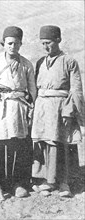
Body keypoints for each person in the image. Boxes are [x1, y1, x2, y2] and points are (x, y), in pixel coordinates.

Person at [31, 25, 84, 197]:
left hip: (61, 108)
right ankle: (48, 180)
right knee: (44, 142)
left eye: (49, 43)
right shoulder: (40, 62)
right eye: (43, 43)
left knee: (61, 143)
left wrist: (69, 110)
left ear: (58, 40)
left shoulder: (69, 62)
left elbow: (75, 90)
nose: (46, 47)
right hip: (42, 107)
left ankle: (64, 183)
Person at [0, 26, 37, 198]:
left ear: (21, 44)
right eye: (9, 43)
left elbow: (33, 90)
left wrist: (32, 109)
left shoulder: (26, 64)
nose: (12, 46)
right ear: (3, 43)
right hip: (0, 107)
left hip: (20, 107)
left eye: (16, 43)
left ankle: (20, 183)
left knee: (19, 144)